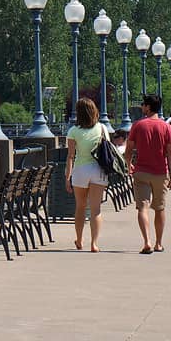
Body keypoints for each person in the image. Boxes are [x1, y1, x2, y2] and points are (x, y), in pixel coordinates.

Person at [123, 94, 171, 254]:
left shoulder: (137, 126)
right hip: (160, 172)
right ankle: (158, 243)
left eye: (143, 105)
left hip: (141, 171)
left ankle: (146, 241)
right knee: (160, 208)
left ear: (148, 107)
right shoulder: (166, 127)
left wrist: (128, 165)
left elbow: (128, 150)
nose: (142, 107)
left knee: (142, 207)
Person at [64, 98, 108, 252]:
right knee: (96, 209)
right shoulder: (102, 128)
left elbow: (70, 156)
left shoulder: (73, 131)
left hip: (80, 171)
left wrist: (67, 177)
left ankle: (79, 239)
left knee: (80, 207)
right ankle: (94, 243)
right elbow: (107, 150)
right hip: (98, 170)